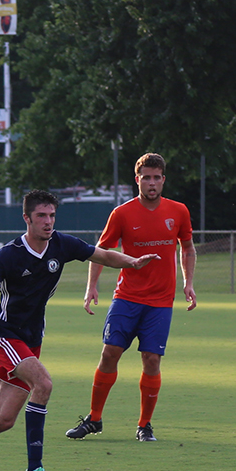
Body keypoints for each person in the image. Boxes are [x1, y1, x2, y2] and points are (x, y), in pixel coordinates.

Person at [0, 190, 159, 471]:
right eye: (41, 216)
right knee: (43, 384)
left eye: (52, 215)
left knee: (2, 420)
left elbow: (103, 255)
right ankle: (35, 469)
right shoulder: (9, 255)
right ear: (27, 218)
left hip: (31, 340)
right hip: (4, 334)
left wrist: (132, 262)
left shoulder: (61, 244)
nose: (48, 222)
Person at [65, 152, 197, 443]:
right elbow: (99, 251)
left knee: (151, 359)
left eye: (156, 177)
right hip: (127, 298)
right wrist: (92, 286)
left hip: (161, 302)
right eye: (146, 177)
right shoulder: (122, 213)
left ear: (163, 180)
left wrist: (188, 283)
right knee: (110, 352)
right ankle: (94, 419)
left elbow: (187, 248)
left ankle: (144, 425)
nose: (151, 183)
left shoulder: (179, 211)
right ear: (137, 180)